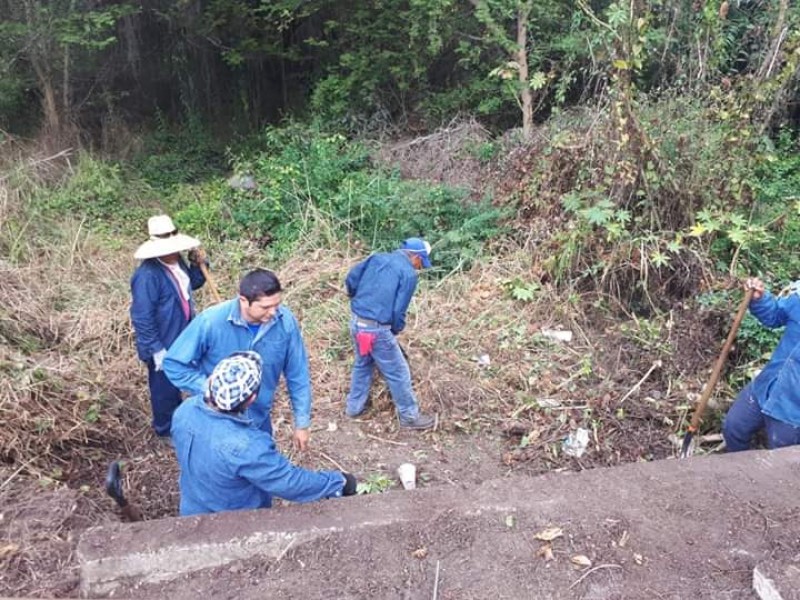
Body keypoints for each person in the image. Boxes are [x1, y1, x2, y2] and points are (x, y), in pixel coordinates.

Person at [171, 351, 357, 516]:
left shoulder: (184, 411)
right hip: (235, 521)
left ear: (212, 381)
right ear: (251, 398)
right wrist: (337, 482)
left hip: (191, 511)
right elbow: (289, 482)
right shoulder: (246, 446)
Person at [164, 268, 313, 451]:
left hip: (258, 417)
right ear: (243, 300)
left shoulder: (285, 322)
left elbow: (297, 373)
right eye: (265, 307)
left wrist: (302, 422)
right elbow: (173, 364)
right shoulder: (211, 322)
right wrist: (209, 387)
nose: (274, 312)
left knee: (260, 463)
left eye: (277, 305)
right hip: (216, 419)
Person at [344, 237, 436, 430]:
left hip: (357, 323)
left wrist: (358, 299)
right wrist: (394, 329)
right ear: (416, 257)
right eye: (421, 262)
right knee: (398, 371)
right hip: (376, 330)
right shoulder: (408, 274)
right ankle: (410, 417)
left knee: (363, 363)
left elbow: (351, 278)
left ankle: (353, 408)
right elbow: (398, 311)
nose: (420, 267)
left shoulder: (376, 258)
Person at [130, 214, 207, 437]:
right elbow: (142, 316)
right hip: (162, 340)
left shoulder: (177, 260)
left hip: (183, 332)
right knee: (164, 387)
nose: (172, 250)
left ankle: (185, 420)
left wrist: (198, 265)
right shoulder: (147, 276)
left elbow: (192, 284)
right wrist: (156, 349)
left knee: (184, 376)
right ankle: (165, 430)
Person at [722, 277, 800, 451]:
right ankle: (737, 472)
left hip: (792, 409)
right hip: (767, 385)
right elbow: (774, 315)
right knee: (733, 428)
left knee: (780, 461)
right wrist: (759, 299)